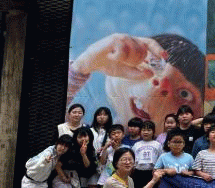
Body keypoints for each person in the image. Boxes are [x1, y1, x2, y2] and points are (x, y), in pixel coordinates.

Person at [67, 33, 205, 136]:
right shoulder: (91, 136)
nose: (159, 85)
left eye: (184, 94)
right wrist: (81, 66)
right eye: (153, 65)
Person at [131, 121, 163, 188]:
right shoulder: (137, 145)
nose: (146, 132)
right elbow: (132, 159)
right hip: (138, 173)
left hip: (152, 173)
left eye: (149, 130)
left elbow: (160, 159)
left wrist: (158, 172)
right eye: (144, 130)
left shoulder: (157, 145)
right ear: (140, 132)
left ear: (153, 132)